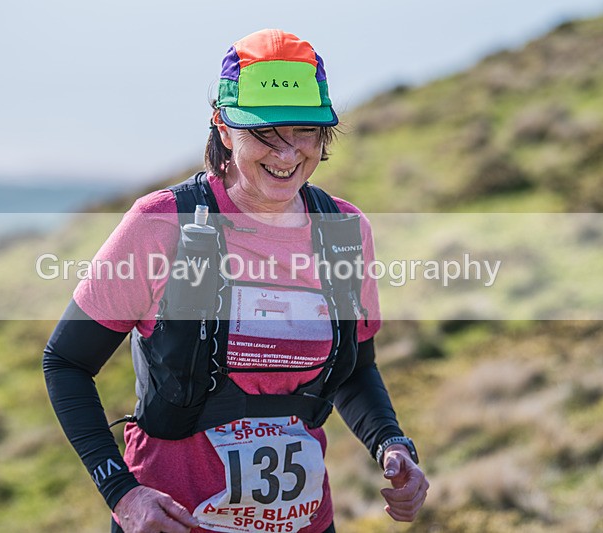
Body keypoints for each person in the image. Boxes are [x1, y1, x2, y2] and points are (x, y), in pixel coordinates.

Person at [43, 29, 428, 533]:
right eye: (265, 132)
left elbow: (355, 368)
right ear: (223, 128)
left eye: (305, 131)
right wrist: (123, 494)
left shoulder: (345, 232)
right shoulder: (161, 224)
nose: (288, 154)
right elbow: (66, 363)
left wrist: (392, 444)